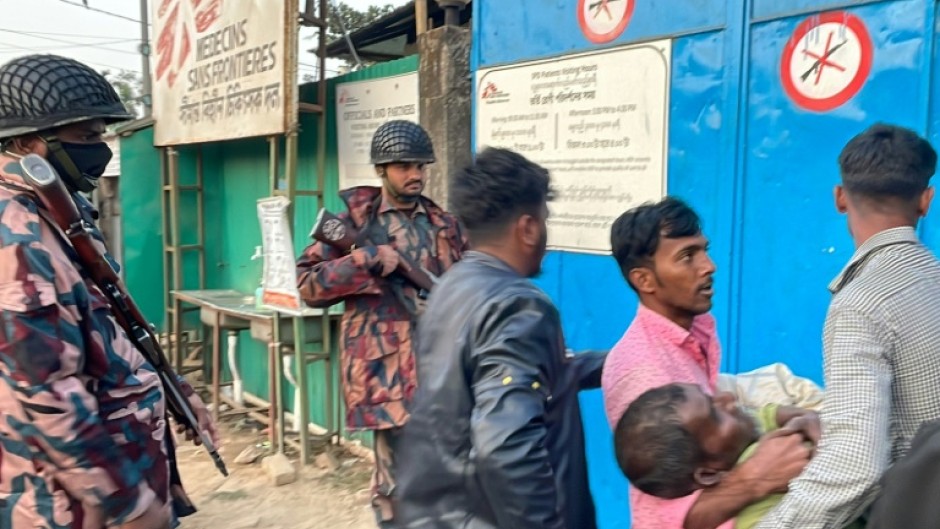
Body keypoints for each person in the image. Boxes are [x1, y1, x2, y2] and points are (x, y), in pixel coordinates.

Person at [0, 55, 217, 529]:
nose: (100, 151)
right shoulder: (16, 236)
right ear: (26, 143)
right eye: (87, 138)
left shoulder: (61, 212)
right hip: (71, 506)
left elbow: (111, 324)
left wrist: (175, 389)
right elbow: (46, 390)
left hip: (122, 473)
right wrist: (126, 502)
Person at [391, 147, 606, 529]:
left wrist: (619, 361)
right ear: (527, 228)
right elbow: (506, 446)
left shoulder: (453, 286)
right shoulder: (518, 305)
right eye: (544, 221)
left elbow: (502, 380)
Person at [754, 125, 940, 528]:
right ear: (926, 200)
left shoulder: (861, 304)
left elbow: (855, 468)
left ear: (840, 198)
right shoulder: (934, 278)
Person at [602, 197, 812, 529]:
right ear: (645, 280)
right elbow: (661, 518)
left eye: (703, 250)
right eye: (687, 257)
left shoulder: (690, 331)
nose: (708, 265)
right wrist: (756, 477)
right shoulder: (645, 373)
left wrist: (786, 415)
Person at [296, 119, 467, 525]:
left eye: (421, 166)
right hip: (385, 370)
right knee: (393, 486)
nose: (415, 175)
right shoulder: (357, 225)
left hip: (440, 369)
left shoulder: (444, 225)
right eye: (404, 166)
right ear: (381, 170)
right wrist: (365, 259)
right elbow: (306, 286)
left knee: (447, 476)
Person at [615, 383, 852, 529]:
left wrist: (807, 418)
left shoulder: (745, 436)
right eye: (716, 415)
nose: (727, 397)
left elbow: (767, 415)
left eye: (710, 396)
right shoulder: (758, 516)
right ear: (707, 474)